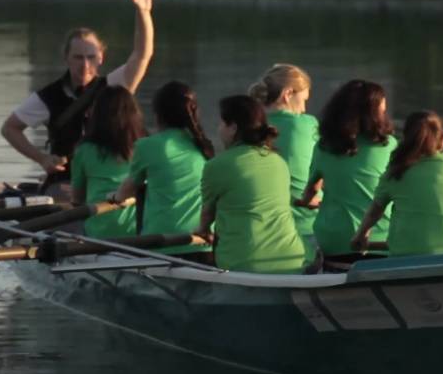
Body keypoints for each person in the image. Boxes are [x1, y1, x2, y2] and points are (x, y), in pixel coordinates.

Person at [0, 0, 153, 180]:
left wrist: (143, 13)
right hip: (66, 183)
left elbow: (142, 54)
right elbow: (10, 129)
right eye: (78, 57)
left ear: (101, 58)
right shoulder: (48, 97)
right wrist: (42, 159)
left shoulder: (115, 87)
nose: (85, 65)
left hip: (111, 181)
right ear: (66, 58)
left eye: (91, 57)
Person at [351, 110, 443, 256]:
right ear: (442, 140)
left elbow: (374, 213)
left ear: (405, 140)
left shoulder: (395, 171)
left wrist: (360, 236)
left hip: (408, 252)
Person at [195, 95, 307, 274]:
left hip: (244, 262)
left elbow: (207, 217)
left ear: (233, 128)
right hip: (291, 259)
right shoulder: (278, 161)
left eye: (222, 123)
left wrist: (202, 231)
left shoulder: (217, 165)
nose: (219, 129)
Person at [111, 81, 214, 259]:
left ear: (158, 115)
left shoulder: (147, 146)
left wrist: (114, 197)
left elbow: (127, 190)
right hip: (203, 243)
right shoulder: (204, 146)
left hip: (161, 245)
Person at [297, 80, 398, 259]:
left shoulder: (324, 146)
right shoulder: (389, 145)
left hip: (333, 240)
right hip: (379, 238)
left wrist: (305, 201)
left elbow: (312, 190)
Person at [248, 63, 318, 239]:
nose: (303, 108)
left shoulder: (249, 128)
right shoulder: (307, 124)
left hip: (263, 226)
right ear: (287, 94)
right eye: (304, 100)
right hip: (306, 224)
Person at [71, 86, 145, 238]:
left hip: (98, 232)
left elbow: (77, 199)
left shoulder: (84, 150)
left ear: (97, 115)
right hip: (136, 233)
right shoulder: (145, 148)